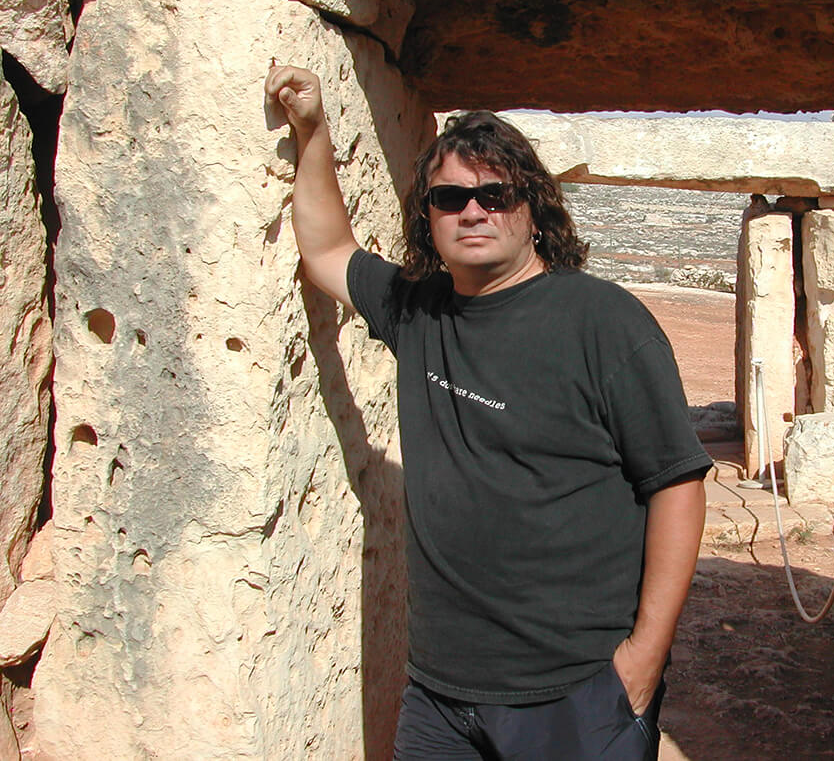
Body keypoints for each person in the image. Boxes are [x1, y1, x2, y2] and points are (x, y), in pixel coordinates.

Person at [265, 64, 712, 761]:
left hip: (577, 690)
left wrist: (641, 663)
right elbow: (328, 250)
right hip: (440, 694)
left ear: (532, 207)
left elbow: (677, 487)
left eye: (493, 194)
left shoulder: (605, 322)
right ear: (429, 217)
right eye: (449, 198)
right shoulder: (418, 312)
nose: (472, 211)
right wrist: (313, 130)